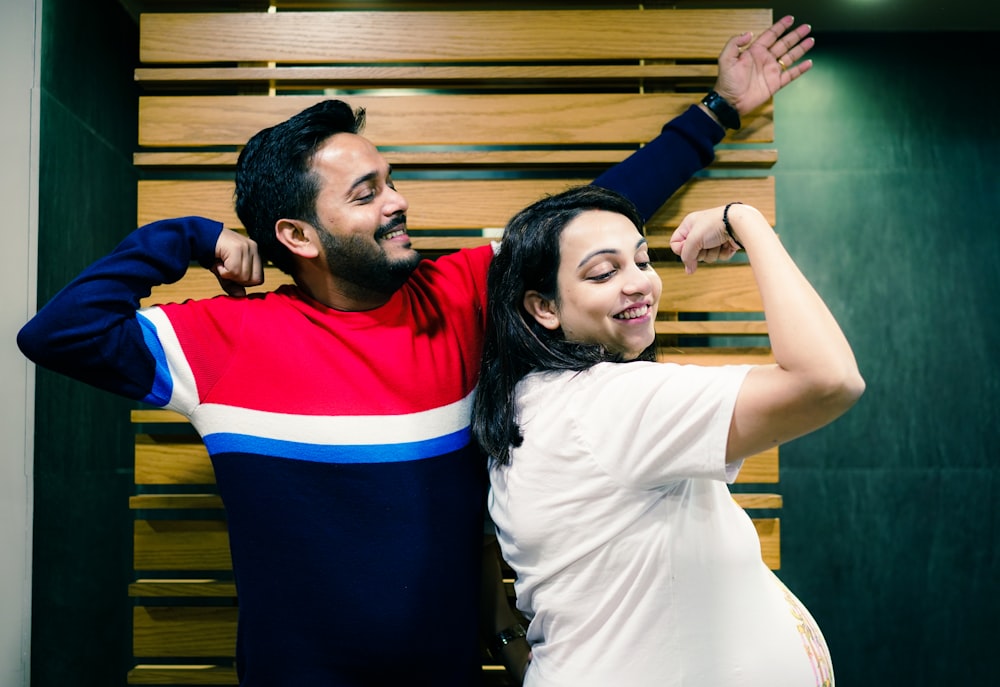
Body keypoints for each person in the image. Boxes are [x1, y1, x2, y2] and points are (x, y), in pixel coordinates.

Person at [17, 16, 814, 687]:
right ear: (296, 235)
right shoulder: (220, 341)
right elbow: (59, 331)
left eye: (388, 179)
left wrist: (718, 110)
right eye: (365, 194)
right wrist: (187, 237)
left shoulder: (461, 291)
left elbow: (591, 215)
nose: (397, 201)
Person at [471, 184, 865, 687]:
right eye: (603, 272)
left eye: (642, 260)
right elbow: (829, 380)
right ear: (544, 308)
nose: (638, 284)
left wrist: (514, 646)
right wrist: (745, 222)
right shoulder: (605, 403)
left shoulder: (530, 402)